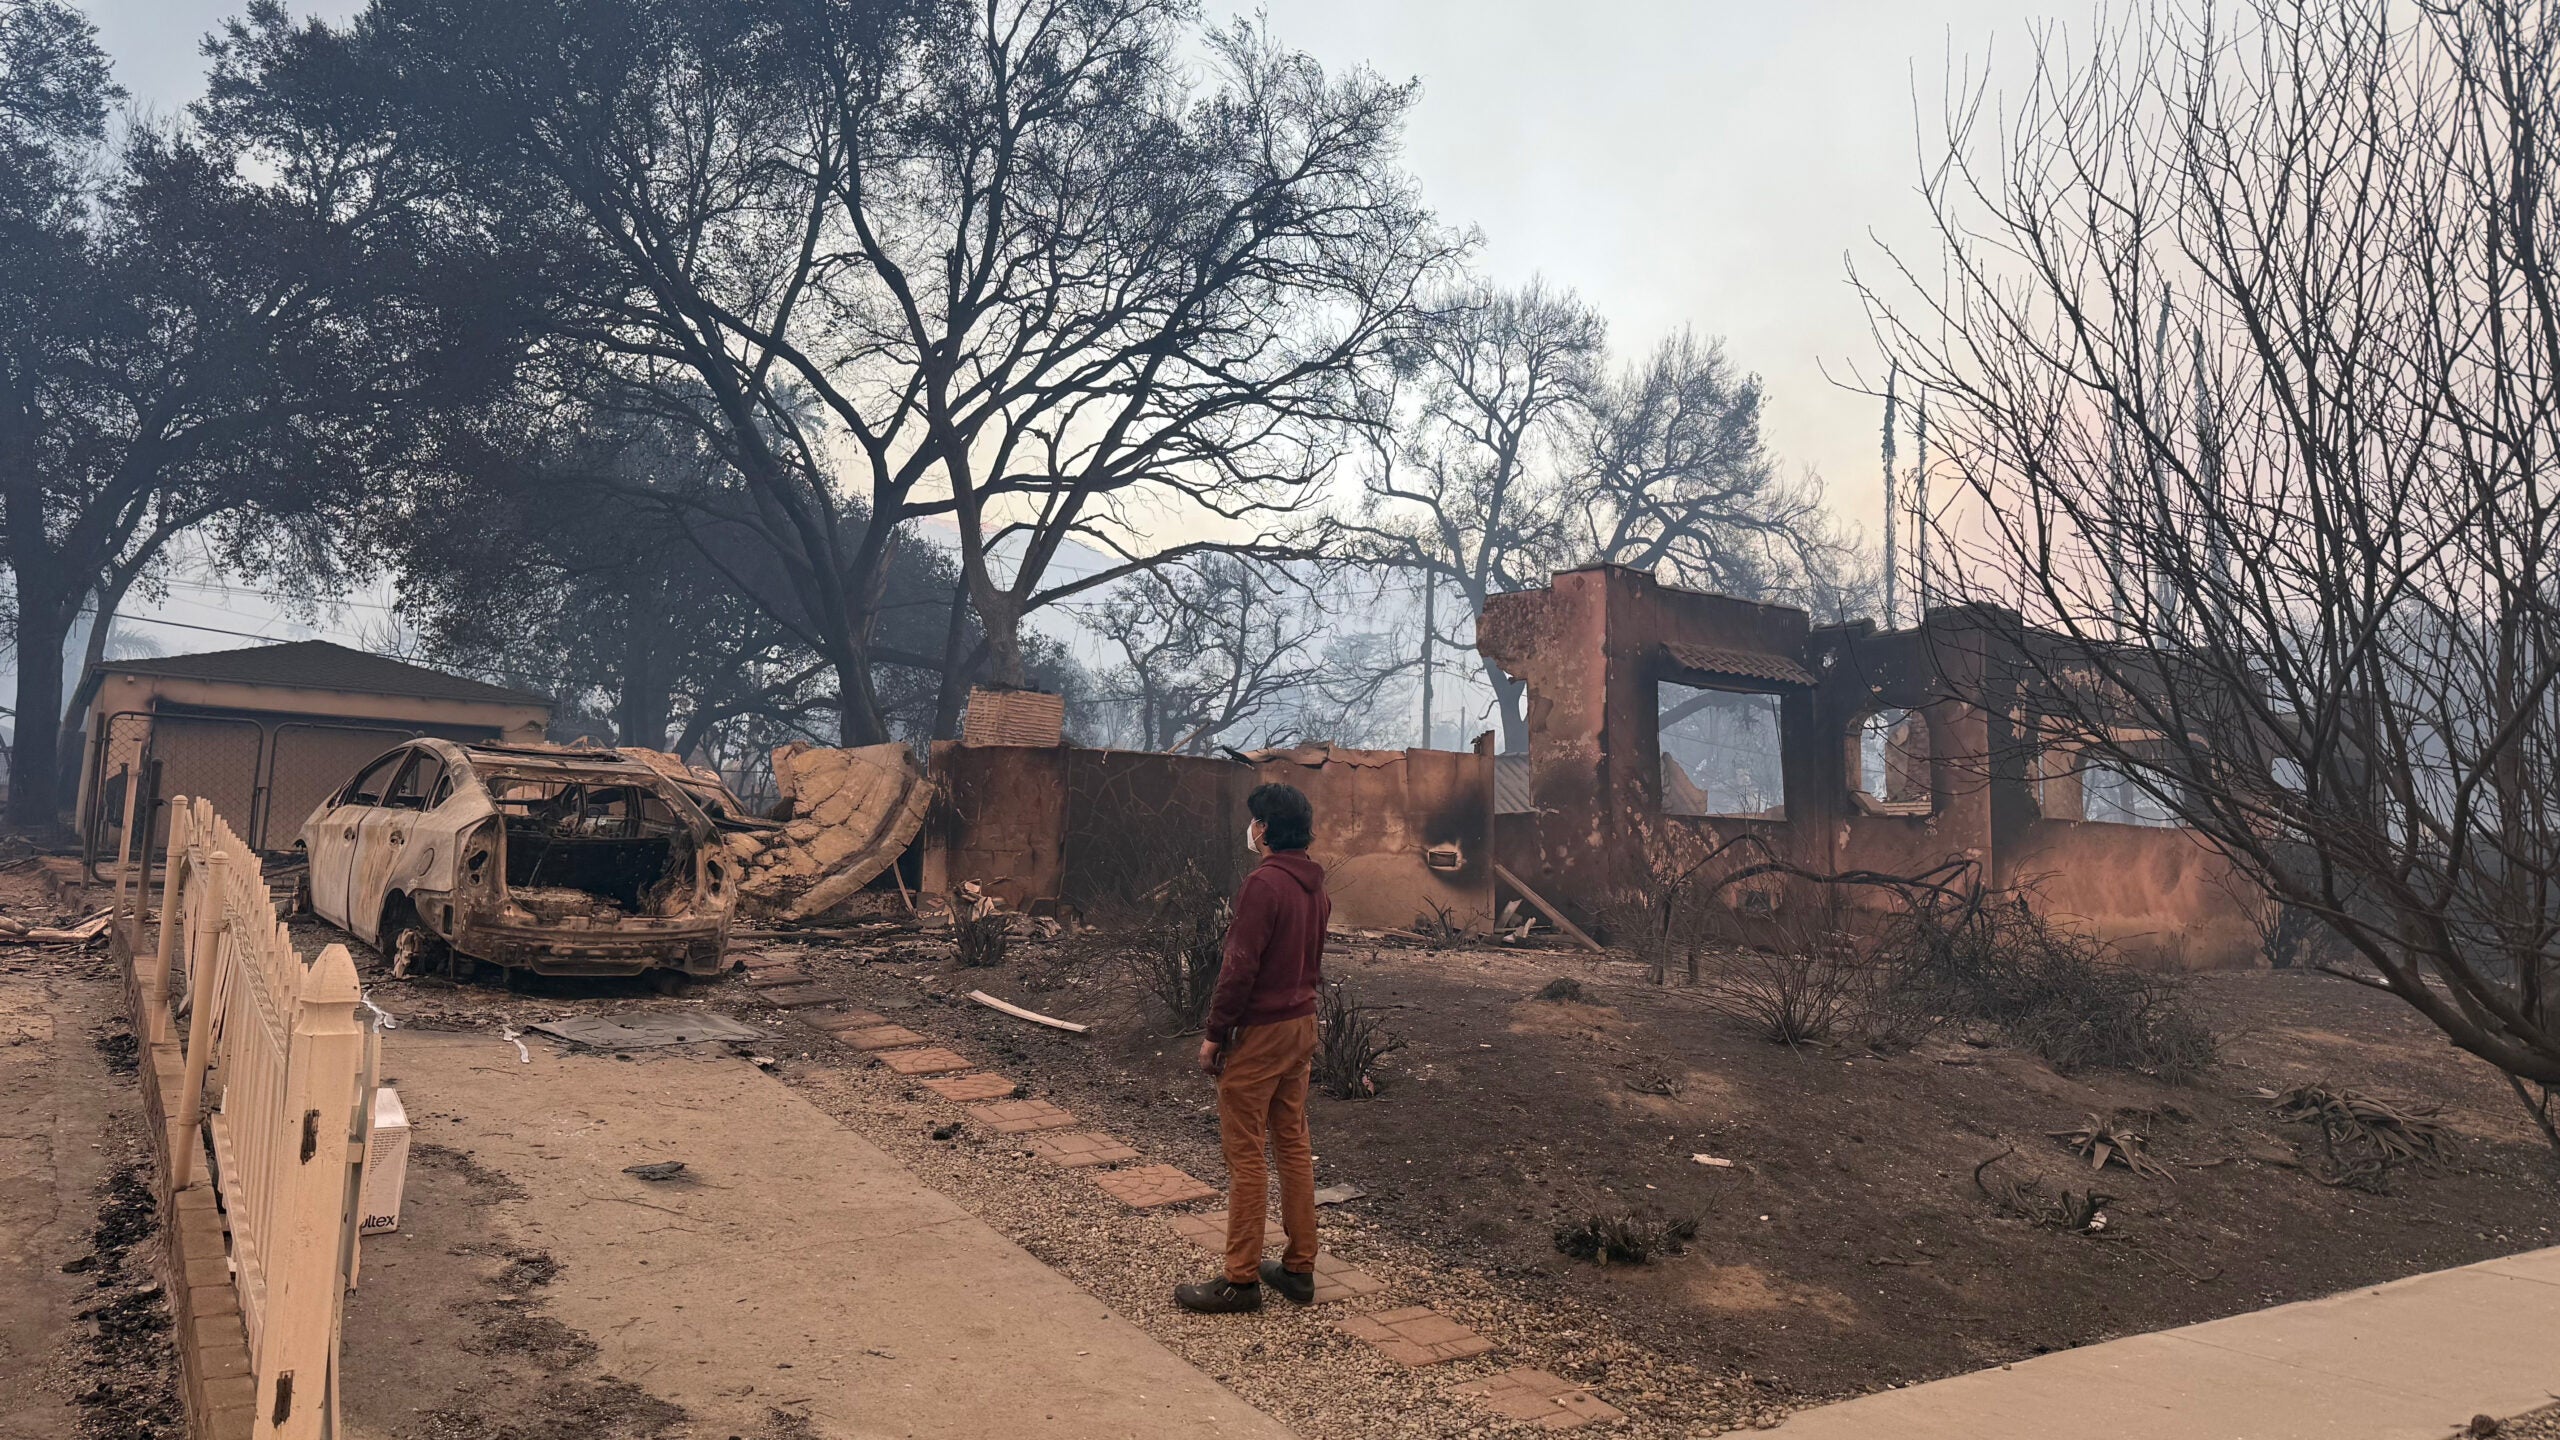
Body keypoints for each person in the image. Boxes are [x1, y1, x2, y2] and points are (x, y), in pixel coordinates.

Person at [1173, 782, 1330, 1313]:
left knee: (1245, 1156)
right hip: (1302, 1024)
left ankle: (1239, 1280)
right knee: (1292, 1145)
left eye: (1255, 819)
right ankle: (1299, 1268)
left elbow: (1238, 968)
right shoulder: (1316, 887)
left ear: (1264, 829)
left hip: (1262, 1032)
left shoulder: (1263, 885)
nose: (1252, 828)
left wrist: (1215, 1034)